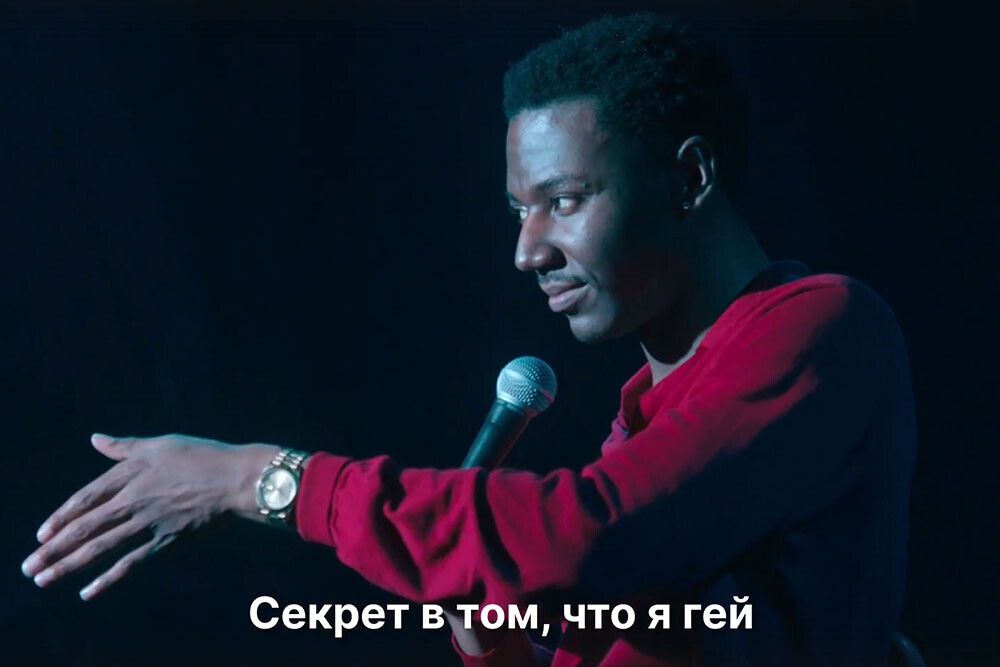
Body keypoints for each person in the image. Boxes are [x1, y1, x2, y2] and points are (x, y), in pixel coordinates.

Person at [19, 13, 915, 667]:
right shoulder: (645, 415)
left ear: (688, 178)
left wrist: (258, 477)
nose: (528, 250)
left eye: (564, 200)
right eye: (520, 210)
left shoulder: (820, 326)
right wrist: (497, 640)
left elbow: (580, 537)